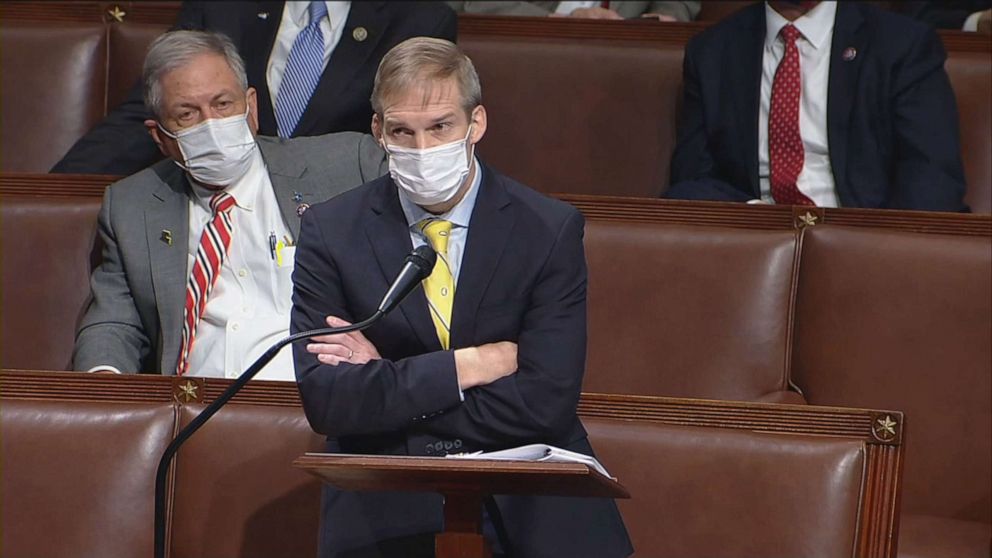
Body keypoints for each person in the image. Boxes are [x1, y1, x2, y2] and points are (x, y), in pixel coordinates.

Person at [291, 37, 633, 557]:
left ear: (476, 124)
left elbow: (545, 402)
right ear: (378, 132)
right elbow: (330, 402)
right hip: (386, 500)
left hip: (534, 502)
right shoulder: (330, 231)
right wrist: (470, 365)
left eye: (441, 127)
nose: (423, 149)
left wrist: (389, 380)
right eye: (403, 130)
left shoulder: (547, 228)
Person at [71, 30, 387, 381]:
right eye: (187, 114)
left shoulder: (347, 166)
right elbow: (113, 322)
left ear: (251, 107)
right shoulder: (132, 206)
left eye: (223, 104)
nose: (211, 124)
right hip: (195, 409)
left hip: (321, 400)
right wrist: (104, 388)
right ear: (159, 136)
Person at [52, 1, 456, 176]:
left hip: (339, 224)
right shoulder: (226, 6)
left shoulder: (418, 18)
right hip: (219, 207)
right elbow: (158, 107)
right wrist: (55, 193)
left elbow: (409, 144)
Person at [666, 1, 969, 211]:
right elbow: (693, 178)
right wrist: (764, 222)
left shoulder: (902, 45)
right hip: (757, 247)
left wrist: (870, 247)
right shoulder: (712, 51)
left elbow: (933, 178)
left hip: (869, 243)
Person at [448, 0, 699, 21]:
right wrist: (555, 20)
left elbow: (678, 3)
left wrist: (667, 17)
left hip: (629, 41)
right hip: (535, 40)